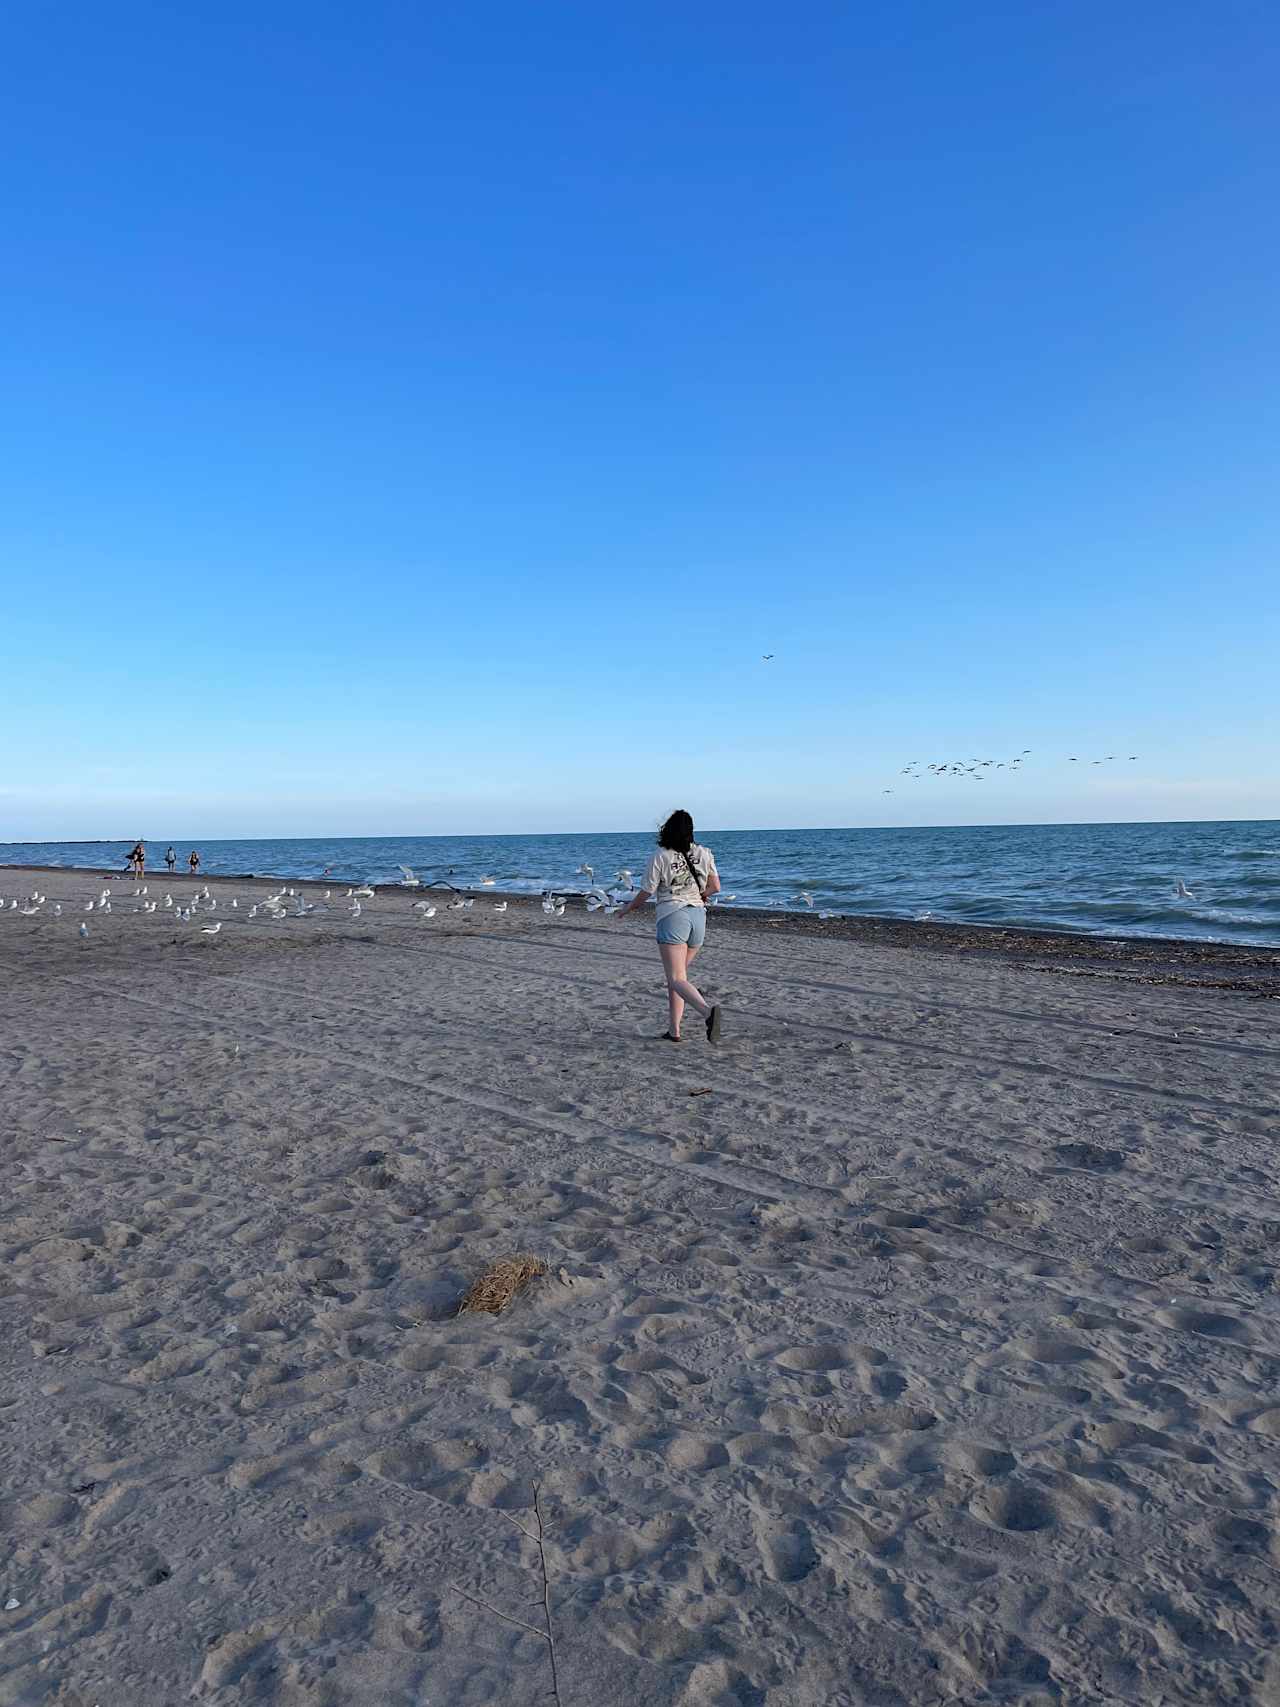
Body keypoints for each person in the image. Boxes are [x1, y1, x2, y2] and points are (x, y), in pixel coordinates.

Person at [614, 809, 723, 1043]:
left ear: (667, 829)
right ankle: (674, 1031)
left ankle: (707, 1013)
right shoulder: (705, 853)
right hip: (698, 918)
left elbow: (647, 891)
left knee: (675, 978)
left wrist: (628, 908)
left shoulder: (661, 856)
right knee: (679, 978)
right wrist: (700, 895)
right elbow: (716, 887)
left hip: (673, 916)